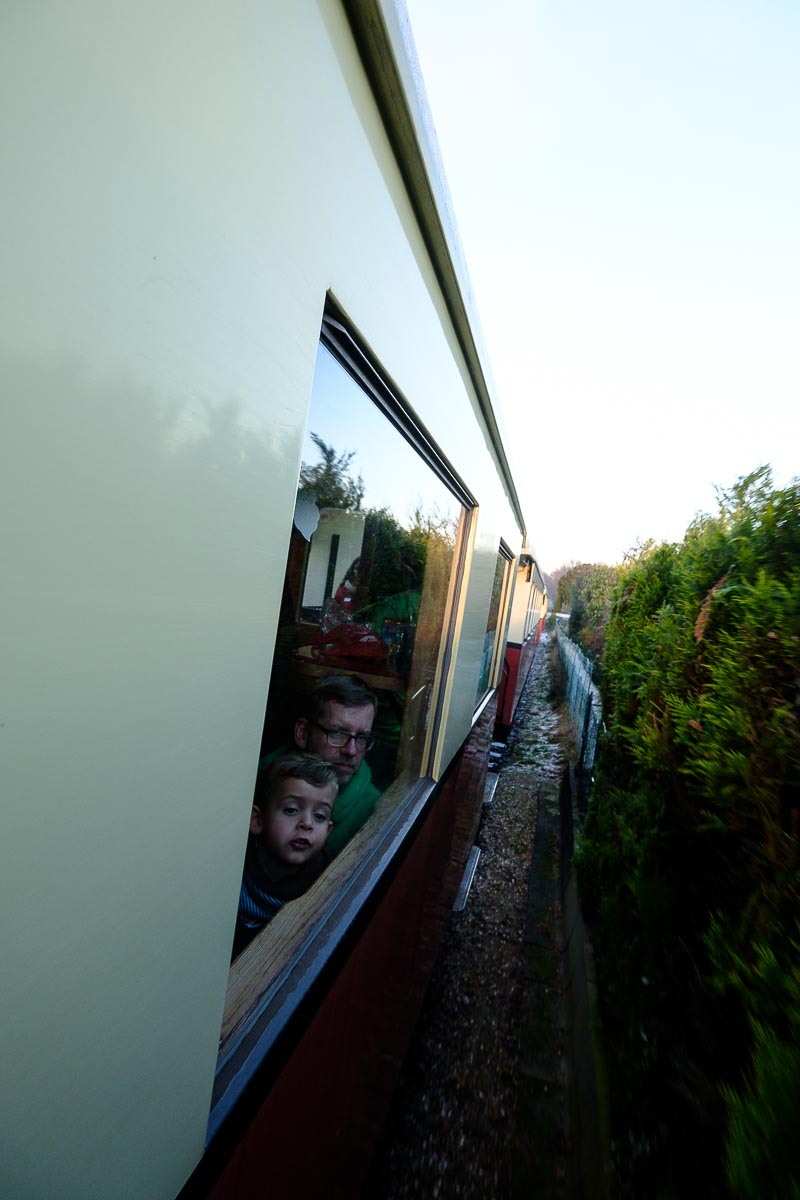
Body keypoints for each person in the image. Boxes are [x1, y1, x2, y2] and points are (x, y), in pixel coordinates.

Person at [260, 674, 381, 855]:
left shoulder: (374, 812)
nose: (351, 750)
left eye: (362, 738)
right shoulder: (258, 780)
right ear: (302, 733)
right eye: (337, 733)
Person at [232, 752, 338, 959]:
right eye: (291, 810)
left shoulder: (328, 880)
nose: (307, 823)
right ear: (257, 820)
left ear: (328, 830)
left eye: (320, 816)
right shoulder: (236, 863)